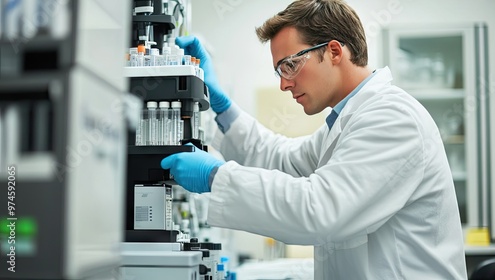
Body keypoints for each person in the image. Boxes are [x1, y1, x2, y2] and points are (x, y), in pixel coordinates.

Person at [160, 0, 467, 279]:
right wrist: (223, 108)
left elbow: (318, 208)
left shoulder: (392, 118)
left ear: (333, 51)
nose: (283, 84)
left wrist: (215, 176)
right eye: (279, 71)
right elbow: (282, 160)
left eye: (289, 65)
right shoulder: (346, 123)